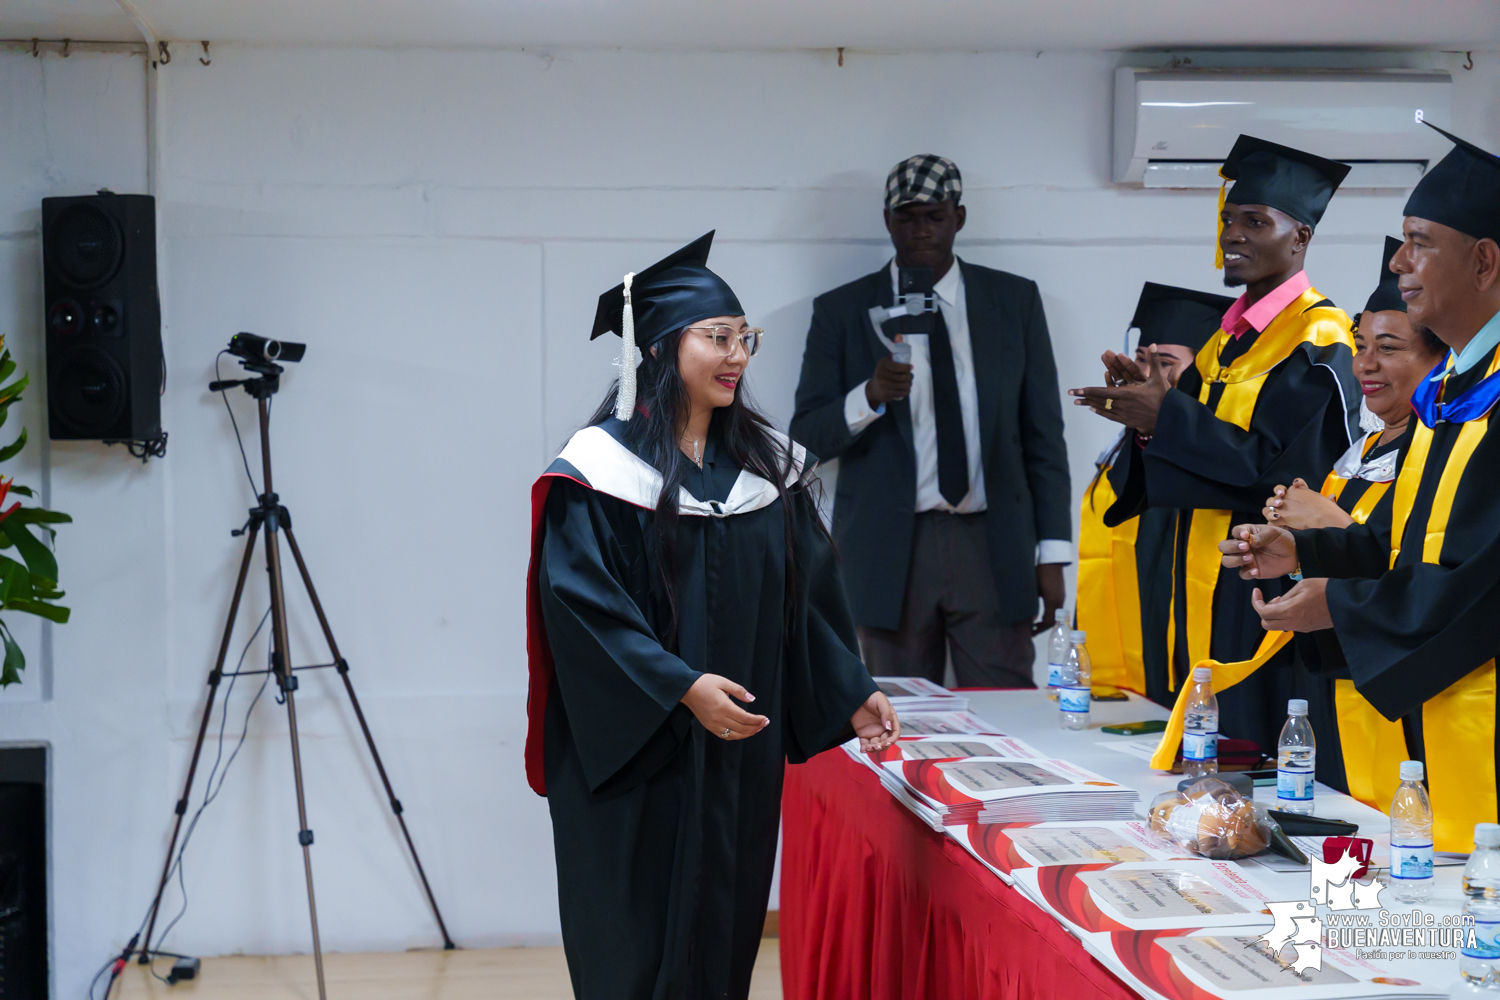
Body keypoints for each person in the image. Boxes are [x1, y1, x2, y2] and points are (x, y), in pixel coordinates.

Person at [524, 232, 900, 999]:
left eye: (744, 338)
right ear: (661, 350)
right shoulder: (596, 474)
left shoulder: (768, 472)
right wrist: (679, 686)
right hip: (637, 762)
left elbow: (811, 598)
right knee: (637, 950)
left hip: (735, 759)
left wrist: (848, 685)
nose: (737, 355)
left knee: (722, 942)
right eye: (717, 338)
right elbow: (582, 611)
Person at [1221, 123, 1500, 850]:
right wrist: (1308, 551)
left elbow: (1482, 582)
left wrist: (1339, 607)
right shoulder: (1458, 390)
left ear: (1484, 263)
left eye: (1419, 240)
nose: (1400, 262)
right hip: (1442, 717)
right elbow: (1414, 546)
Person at [1072, 134, 1360, 757]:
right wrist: (1148, 421)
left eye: (1256, 221)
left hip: (1259, 586)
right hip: (1194, 579)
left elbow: (1282, 476)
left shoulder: (1319, 340)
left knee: (1252, 754)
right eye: (1230, 219)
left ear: (1301, 237)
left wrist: (1167, 415)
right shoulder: (1227, 342)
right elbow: (1196, 465)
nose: (1233, 234)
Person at [790, 154, 1071, 687]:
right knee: (897, 714)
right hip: (890, 545)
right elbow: (805, 439)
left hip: (992, 541)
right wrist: (868, 396)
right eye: (906, 216)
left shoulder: (1013, 301)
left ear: (959, 217)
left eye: (934, 216)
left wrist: (1053, 554)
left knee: (1005, 701)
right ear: (887, 220)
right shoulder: (844, 310)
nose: (919, 230)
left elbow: (1044, 436)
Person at [1230, 237, 1445, 803]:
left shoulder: (1445, 452)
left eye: (1390, 348)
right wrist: (1283, 546)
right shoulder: (1363, 452)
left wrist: (1330, 527)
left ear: (1440, 358)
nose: (1365, 365)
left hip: (1406, 694)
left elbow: (1425, 572)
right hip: (1332, 682)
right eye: (1361, 344)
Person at [1077, 282, 1232, 706]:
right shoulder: (1123, 446)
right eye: (1143, 360)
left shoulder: (1217, 452)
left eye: (1166, 363)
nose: (1149, 376)